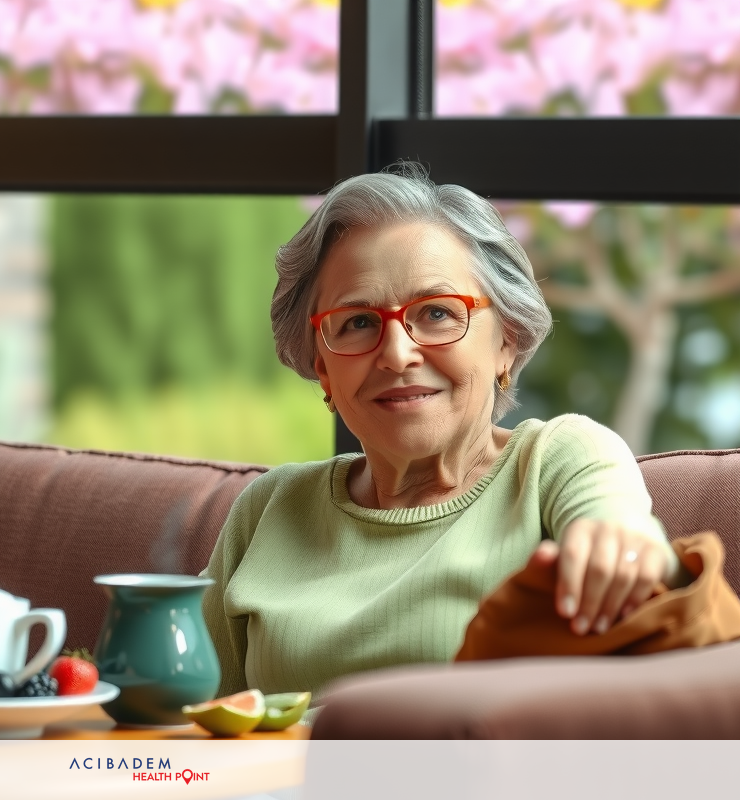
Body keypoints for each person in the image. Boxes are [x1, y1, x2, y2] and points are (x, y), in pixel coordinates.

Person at [201, 163, 692, 698]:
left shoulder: (557, 460)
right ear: (323, 365)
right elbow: (186, 718)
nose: (396, 354)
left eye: (436, 312)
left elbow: (632, 545)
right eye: (358, 322)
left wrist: (626, 548)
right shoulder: (268, 508)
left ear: (506, 338)